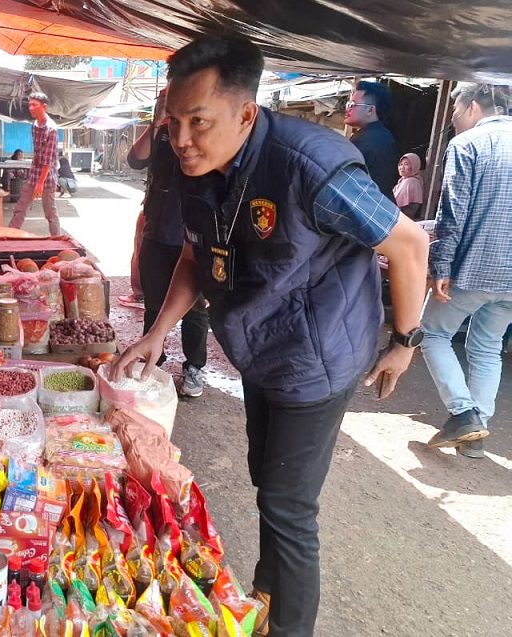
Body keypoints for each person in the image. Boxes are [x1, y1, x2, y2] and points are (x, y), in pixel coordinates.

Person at [111, 36, 428, 637]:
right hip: (260, 350)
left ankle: (289, 626)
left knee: (289, 505)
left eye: (197, 122)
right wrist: (158, 333)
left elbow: (409, 243)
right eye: (173, 121)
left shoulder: (311, 167)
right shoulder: (203, 167)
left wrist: (404, 342)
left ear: (246, 114)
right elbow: (194, 255)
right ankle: (267, 590)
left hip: (318, 359)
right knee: (268, 480)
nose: (180, 139)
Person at [420, 83, 512, 459]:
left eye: (455, 112)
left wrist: (440, 265)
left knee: (430, 332)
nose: (454, 120)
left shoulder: (469, 144)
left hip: (475, 268)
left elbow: (453, 212)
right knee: (488, 346)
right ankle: (478, 430)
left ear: (473, 107)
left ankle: (464, 413)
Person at [126, 86, 210, 397]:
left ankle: (194, 367)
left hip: (193, 234)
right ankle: (154, 360)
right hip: (157, 233)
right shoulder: (162, 132)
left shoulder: (204, 135)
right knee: (154, 302)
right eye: (166, 101)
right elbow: (135, 161)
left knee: (196, 308)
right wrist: (156, 120)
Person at [9, 92, 61, 236]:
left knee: (50, 213)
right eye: (30, 105)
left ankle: (57, 240)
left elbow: (48, 159)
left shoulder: (52, 129)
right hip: (34, 174)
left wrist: (40, 183)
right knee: (20, 208)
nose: (31, 108)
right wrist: (34, 179)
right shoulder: (34, 125)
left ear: (44, 106)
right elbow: (38, 153)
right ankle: (9, 236)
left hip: (47, 178)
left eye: (34, 105)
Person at [345, 80, 398, 199]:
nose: (348, 109)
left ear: (370, 110)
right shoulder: (383, 135)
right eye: (349, 104)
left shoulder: (365, 140)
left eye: (353, 105)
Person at [393, 152, 425, 219]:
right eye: (400, 164)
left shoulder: (410, 181)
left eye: (406, 164)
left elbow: (395, 203)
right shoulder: (403, 180)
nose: (402, 167)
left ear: (414, 166)